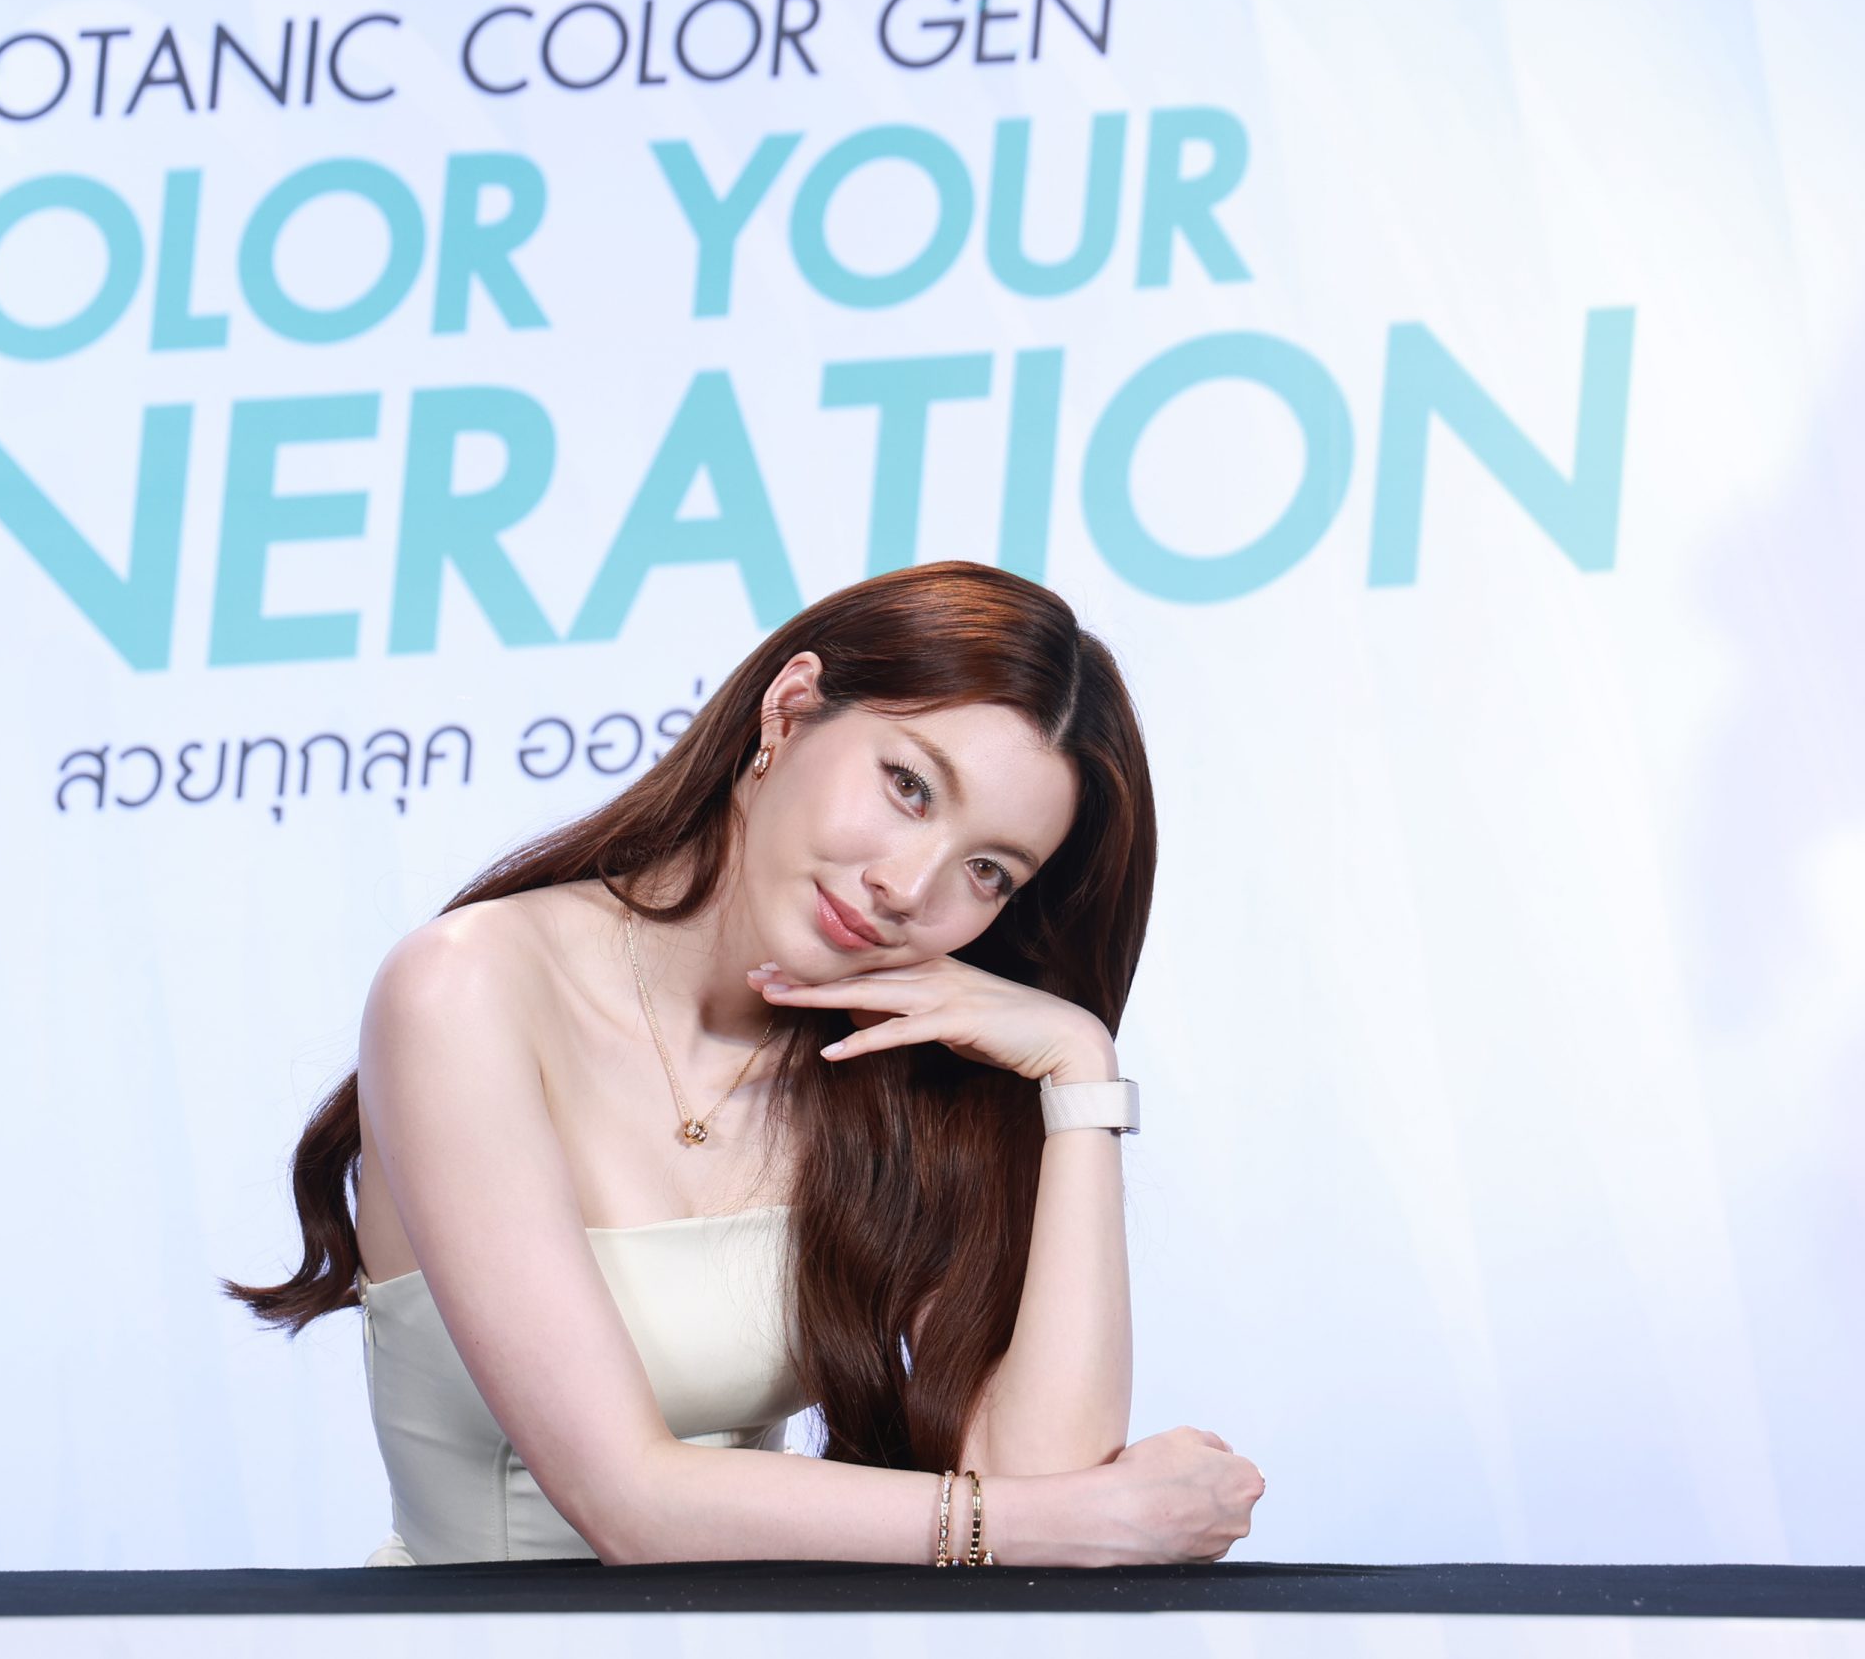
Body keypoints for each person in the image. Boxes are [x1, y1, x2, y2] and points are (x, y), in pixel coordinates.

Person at [224, 560, 1265, 1566]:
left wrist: (1080, 1072)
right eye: (908, 786)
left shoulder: (894, 1064)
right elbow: (627, 1502)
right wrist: (1040, 1524)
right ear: (789, 710)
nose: (910, 887)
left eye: (988, 870)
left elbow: (1043, 1476)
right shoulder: (466, 986)